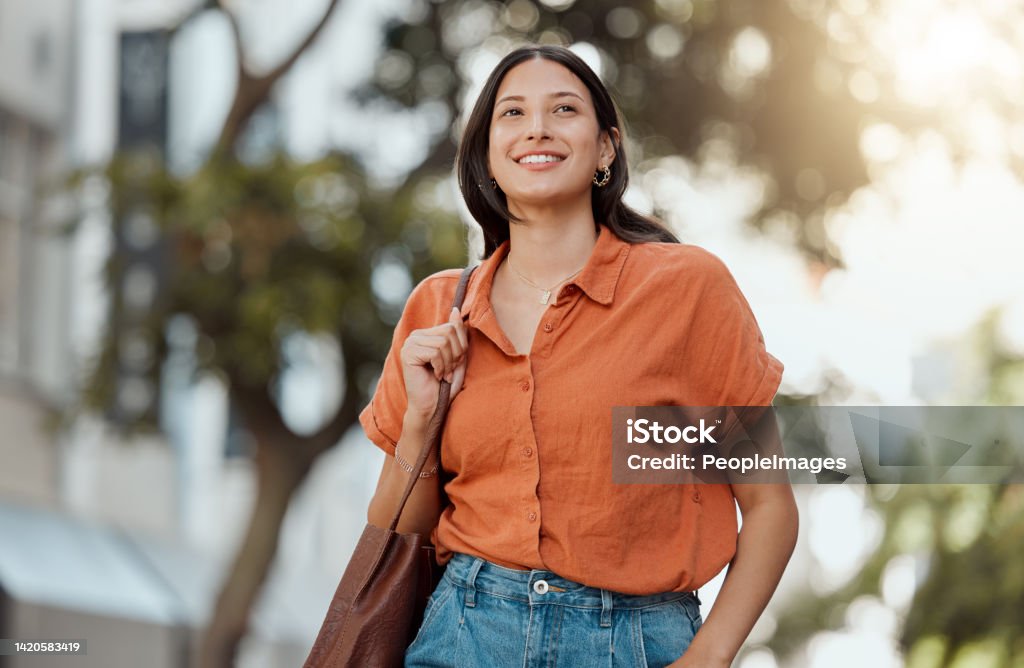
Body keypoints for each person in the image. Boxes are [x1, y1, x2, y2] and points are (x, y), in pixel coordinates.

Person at [362, 44, 798, 668]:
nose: (536, 127)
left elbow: (769, 507)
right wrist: (420, 423)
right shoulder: (437, 309)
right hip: (463, 635)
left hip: (636, 643)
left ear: (605, 149)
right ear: (487, 153)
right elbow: (395, 534)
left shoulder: (685, 290)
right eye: (511, 113)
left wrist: (708, 659)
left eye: (563, 109)